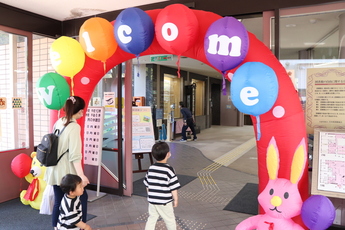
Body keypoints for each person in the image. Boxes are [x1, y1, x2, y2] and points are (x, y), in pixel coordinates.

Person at [44, 96, 90, 230]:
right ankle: (81, 226)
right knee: (82, 197)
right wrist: (81, 176)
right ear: (80, 110)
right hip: (66, 172)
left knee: (59, 201)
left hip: (53, 169)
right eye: (82, 109)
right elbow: (75, 155)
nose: (83, 111)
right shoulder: (74, 127)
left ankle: (57, 227)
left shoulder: (59, 121)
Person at [143, 142, 181, 230]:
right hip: (165, 201)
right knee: (169, 219)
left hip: (152, 201)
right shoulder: (169, 169)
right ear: (168, 154)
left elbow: (147, 184)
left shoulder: (151, 168)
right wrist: (176, 199)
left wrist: (151, 195)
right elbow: (173, 187)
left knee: (152, 218)